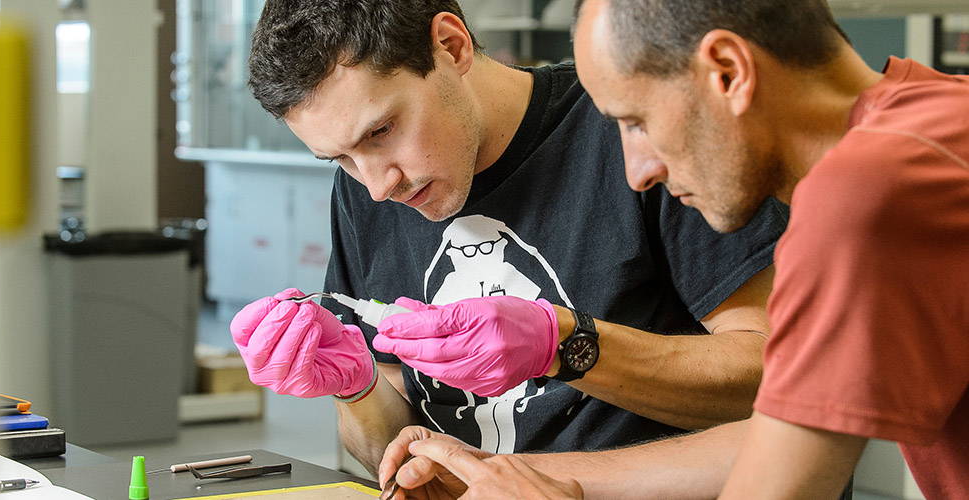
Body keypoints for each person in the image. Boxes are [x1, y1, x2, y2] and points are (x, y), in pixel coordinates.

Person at [380, 0, 969, 498]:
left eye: (635, 121)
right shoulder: (936, 123)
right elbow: (778, 438)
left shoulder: (870, 192)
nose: (638, 171)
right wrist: (519, 474)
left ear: (728, 71)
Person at [232, 0, 787, 478]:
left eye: (381, 131)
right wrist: (356, 388)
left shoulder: (630, 127)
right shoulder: (363, 189)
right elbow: (393, 444)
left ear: (451, 47)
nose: (379, 186)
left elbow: (780, 379)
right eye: (341, 158)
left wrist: (567, 346)